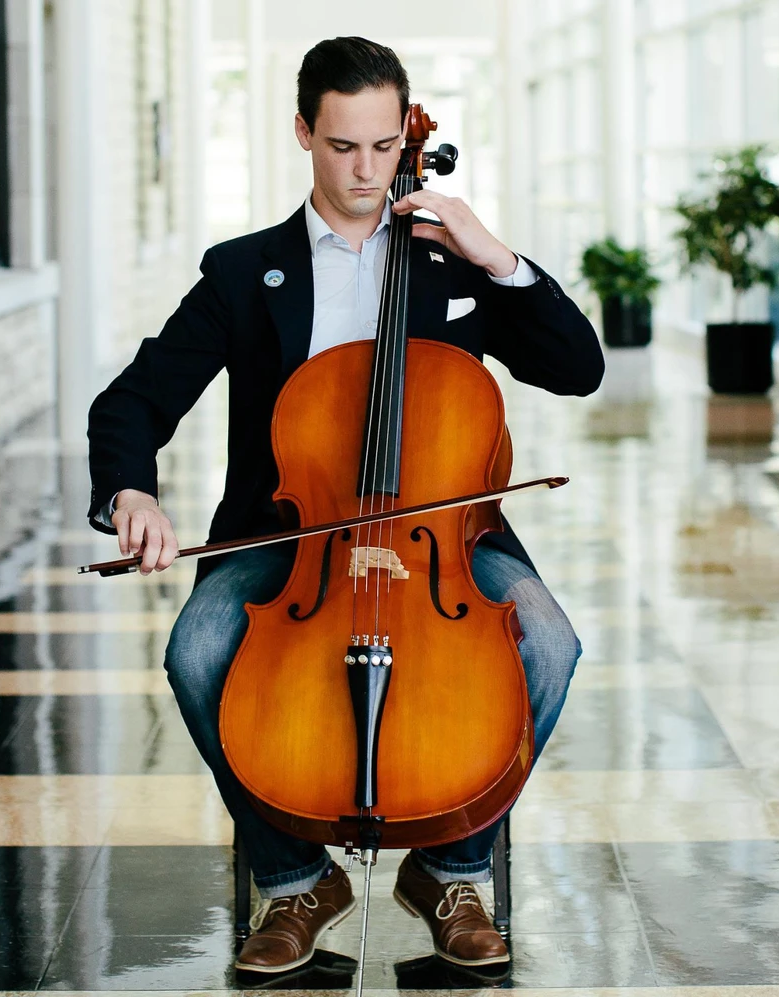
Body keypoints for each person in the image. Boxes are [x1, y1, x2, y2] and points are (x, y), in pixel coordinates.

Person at [87, 36, 603, 974]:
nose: (367, 171)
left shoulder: (453, 264)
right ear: (303, 134)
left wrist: (500, 258)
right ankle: (296, 881)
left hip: (445, 531)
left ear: (408, 135)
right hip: (295, 535)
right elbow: (134, 399)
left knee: (551, 642)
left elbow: (579, 369)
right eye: (342, 147)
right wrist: (132, 491)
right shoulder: (246, 271)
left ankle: (451, 868)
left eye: (383, 145)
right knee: (197, 648)